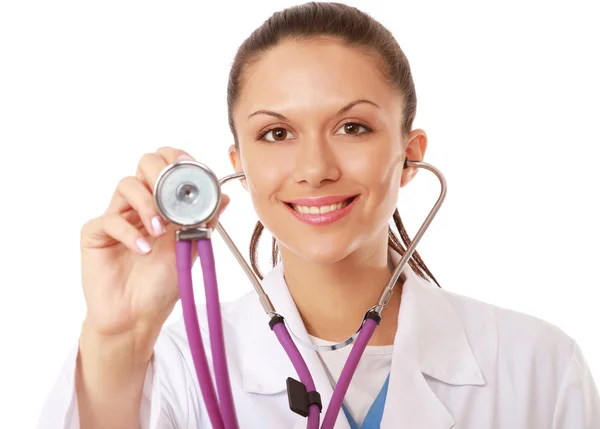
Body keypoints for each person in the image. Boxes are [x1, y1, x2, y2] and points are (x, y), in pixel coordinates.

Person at [38, 2, 600, 428]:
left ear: (410, 155)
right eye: (276, 133)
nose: (314, 168)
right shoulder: (178, 362)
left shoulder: (538, 366)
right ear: (239, 165)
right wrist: (120, 336)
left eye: (352, 127)